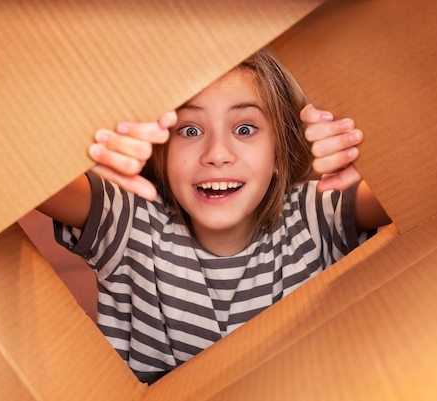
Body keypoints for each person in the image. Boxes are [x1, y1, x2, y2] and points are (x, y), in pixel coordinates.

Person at [37, 49, 390, 384]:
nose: (216, 153)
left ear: (280, 154)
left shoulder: (317, 216)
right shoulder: (129, 222)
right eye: (190, 130)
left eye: (244, 128)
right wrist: (91, 146)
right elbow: (23, 176)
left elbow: (420, 188)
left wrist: (364, 145)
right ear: (161, 152)